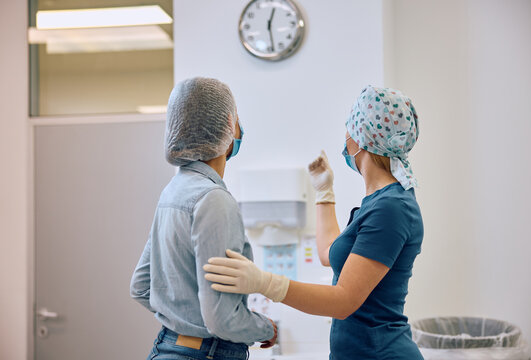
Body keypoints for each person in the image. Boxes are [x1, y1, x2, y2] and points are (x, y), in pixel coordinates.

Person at [204, 85, 424, 359]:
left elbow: (343, 301)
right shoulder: (378, 203)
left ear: (360, 137)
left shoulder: (391, 208)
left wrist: (265, 283)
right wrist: (324, 193)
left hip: (381, 353)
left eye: (349, 127)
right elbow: (328, 253)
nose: (345, 137)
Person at [130, 77, 277, 360]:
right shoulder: (213, 200)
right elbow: (221, 320)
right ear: (226, 126)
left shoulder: (172, 191)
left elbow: (140, 286)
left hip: (166, 348)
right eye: (235, 119)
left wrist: (181, 318)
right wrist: (265, 329)